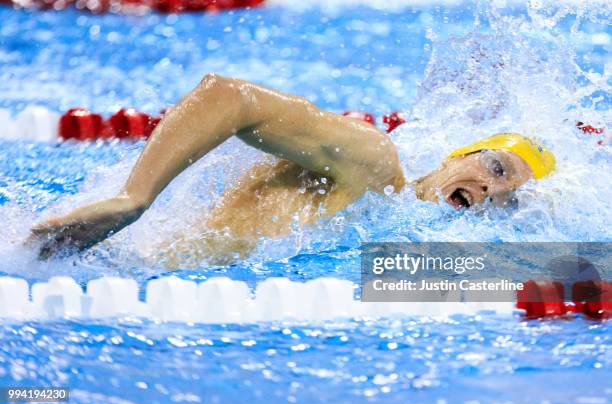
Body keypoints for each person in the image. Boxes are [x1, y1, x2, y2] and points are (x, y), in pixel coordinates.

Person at [29, 74, 556, 264]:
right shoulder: (374, 163)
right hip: (105, 261)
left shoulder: (395, 231)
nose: (489, 188)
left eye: (506, 194)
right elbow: (229, 96)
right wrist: (134, 200)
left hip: (102, 267)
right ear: (455, 156)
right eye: (494, 166)